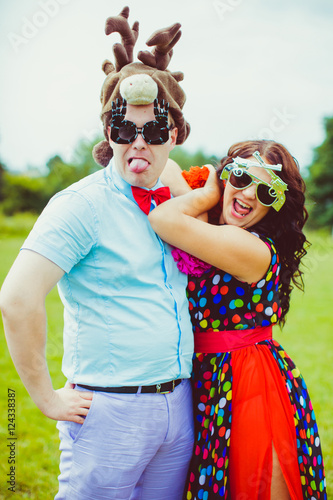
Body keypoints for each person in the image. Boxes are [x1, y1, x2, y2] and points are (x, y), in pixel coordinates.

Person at [0, 8, 195, 500]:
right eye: (125, 130)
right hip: (110, 413)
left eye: (154, 132)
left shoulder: (178, 199)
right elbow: (17, 299)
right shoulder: (80, 205)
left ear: (174, 135)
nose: (138, 145)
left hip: (178, 404)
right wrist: (45, 397)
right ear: (108, 133)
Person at [149, 140, 327, 499]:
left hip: (248, 381)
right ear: (228, 171)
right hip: (211, 377)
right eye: (241, 177)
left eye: (265, 190)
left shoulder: (251, 247)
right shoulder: (217, 235)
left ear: (275, 206)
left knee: (252, 483)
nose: (248, 194)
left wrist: (209, 191)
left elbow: (163, 218)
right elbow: (164, 165)